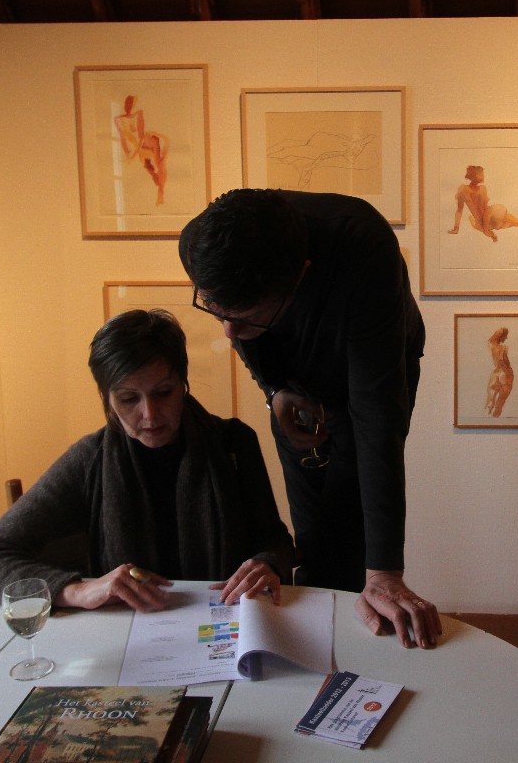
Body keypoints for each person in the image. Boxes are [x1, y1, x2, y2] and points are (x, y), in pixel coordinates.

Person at [179, 188, 441, 649]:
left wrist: (384, 571)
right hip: (290, 371)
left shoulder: (363, 245)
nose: (228, 333)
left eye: (245, 317)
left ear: (300, 275)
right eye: (217, 312)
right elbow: (239, 325)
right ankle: (319, 630)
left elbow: (377, 417)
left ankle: (353, 635)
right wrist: (274, 390)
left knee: (349, 520)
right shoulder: (198, 243)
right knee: (313, 530)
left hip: (374, 365)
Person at [0, 309, 295, 612]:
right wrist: (77, 590)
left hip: (223, 620)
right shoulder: (88, 461)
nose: (150, 414)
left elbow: (274, 539)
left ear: (183, 384)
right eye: (129, 398)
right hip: (123, 632)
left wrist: (267, 563)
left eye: (163, 393)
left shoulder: (234, 443)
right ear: (107, 399)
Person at [446, 165, 518, 242]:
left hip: (490, 215)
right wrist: (456, 227)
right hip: (484, 221)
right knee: (486, 226)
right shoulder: (463, 190)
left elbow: (486, 207)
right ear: (474, 175)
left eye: (482, 174)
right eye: (480, 174)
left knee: (503, 219)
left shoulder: (483, 189)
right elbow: (459, 210)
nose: (483, 176)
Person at [484, 327, 514, 417]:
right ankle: (495, 420)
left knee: (490, 403)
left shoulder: (489, 346)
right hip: (506, 374)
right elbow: (504, 362)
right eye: (505, 336)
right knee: (500, 403)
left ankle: (486, 421)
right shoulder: (503, 348)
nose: (506, 338)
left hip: (495, 374)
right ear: (500, 336)